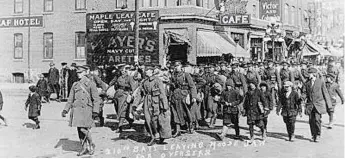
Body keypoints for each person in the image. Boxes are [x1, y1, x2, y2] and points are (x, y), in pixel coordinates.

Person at [61, 65, 101, 156]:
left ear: (85, 73)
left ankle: (91, 144)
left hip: (86, 109)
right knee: (79, 129)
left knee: (83, 129)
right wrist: (65, 110)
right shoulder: (75, 84)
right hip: (76, 110)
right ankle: (84, 148)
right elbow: (70, 99)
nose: (78, 74)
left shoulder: (91, 84)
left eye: (80, 73)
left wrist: (95, 111)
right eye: (78, 73)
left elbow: (96, 99)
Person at [139, 65, 172, 146]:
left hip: (156, 102)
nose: (146, 71)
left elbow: (162, 93)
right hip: (147, 102)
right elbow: (140, 93)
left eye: (148, 70)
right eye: (145, 70)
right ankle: (153, 136)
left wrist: (165, 105)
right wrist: (135, 105)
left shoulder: (157, 80)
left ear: (151, 71)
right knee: (148, 120)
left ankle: (161, 136)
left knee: (157, 120)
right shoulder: (144, 81)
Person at [170, 61, 197, 137]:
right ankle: (177, 130)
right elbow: (171, 87)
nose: (176, 67)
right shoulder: (173, 75)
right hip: (175, 96)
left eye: (177, 66)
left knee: (186, 112)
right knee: (175, 112)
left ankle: (190, 124)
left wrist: (193, 96)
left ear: (181, 66)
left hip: (184, 95)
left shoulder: (186, 75)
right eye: (175, 66)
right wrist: (170, 97)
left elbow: (192, 86)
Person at [305, 67, 332, 142]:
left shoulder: (320, 82)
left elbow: (325, 93)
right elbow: (305, 92)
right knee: (311, 120)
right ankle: (313, 135)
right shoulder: (307, 83)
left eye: (310, 73)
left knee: (317, 119)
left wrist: (329, 105)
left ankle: (318, 134)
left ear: (313, 74)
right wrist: (302, 97)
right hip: (310, 105)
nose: (308, 75)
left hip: (318, 104)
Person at [109, 64, 136, 133]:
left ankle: (120, 127)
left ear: (126, 70)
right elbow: (112, 83)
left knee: (122, 110)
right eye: (121, 70)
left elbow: (133, 88)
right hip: (117, 95)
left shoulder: (129, 77)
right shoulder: (118, 77)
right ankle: (130, 120)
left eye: (123, 70)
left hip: (125, 94)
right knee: (118, 110)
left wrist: (132, 95)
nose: (122, 71)